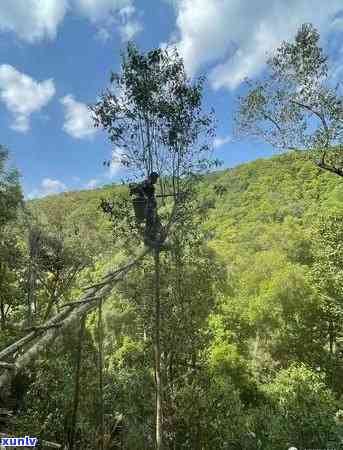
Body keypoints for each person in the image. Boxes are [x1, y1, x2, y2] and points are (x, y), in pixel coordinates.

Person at [129, 172, 163, 247]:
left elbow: (150, 195)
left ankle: (158, 237)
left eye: (157, 179)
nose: (156, 180)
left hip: (152, 208)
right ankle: (148, 240)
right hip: (148, 208)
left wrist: (151, 197)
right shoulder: (146, 183)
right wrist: (145, 196)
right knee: (150, 223)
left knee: (157, 223)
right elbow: (137, 188)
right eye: (155, 178)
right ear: (152, 177)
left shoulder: (151, 185)